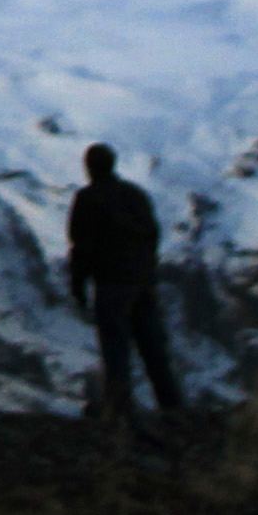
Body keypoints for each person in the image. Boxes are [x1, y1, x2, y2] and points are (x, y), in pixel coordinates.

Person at [68, 141, 181, 421]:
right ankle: (173, 405)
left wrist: (78, 285)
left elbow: (80, 246)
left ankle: (119, 405)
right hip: (142, 281)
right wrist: (147, 271)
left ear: (89, 167)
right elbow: (152, 235)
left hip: (110, 283)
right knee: (152, 345)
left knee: (115, 346)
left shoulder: (88, 199)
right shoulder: (135, 195)